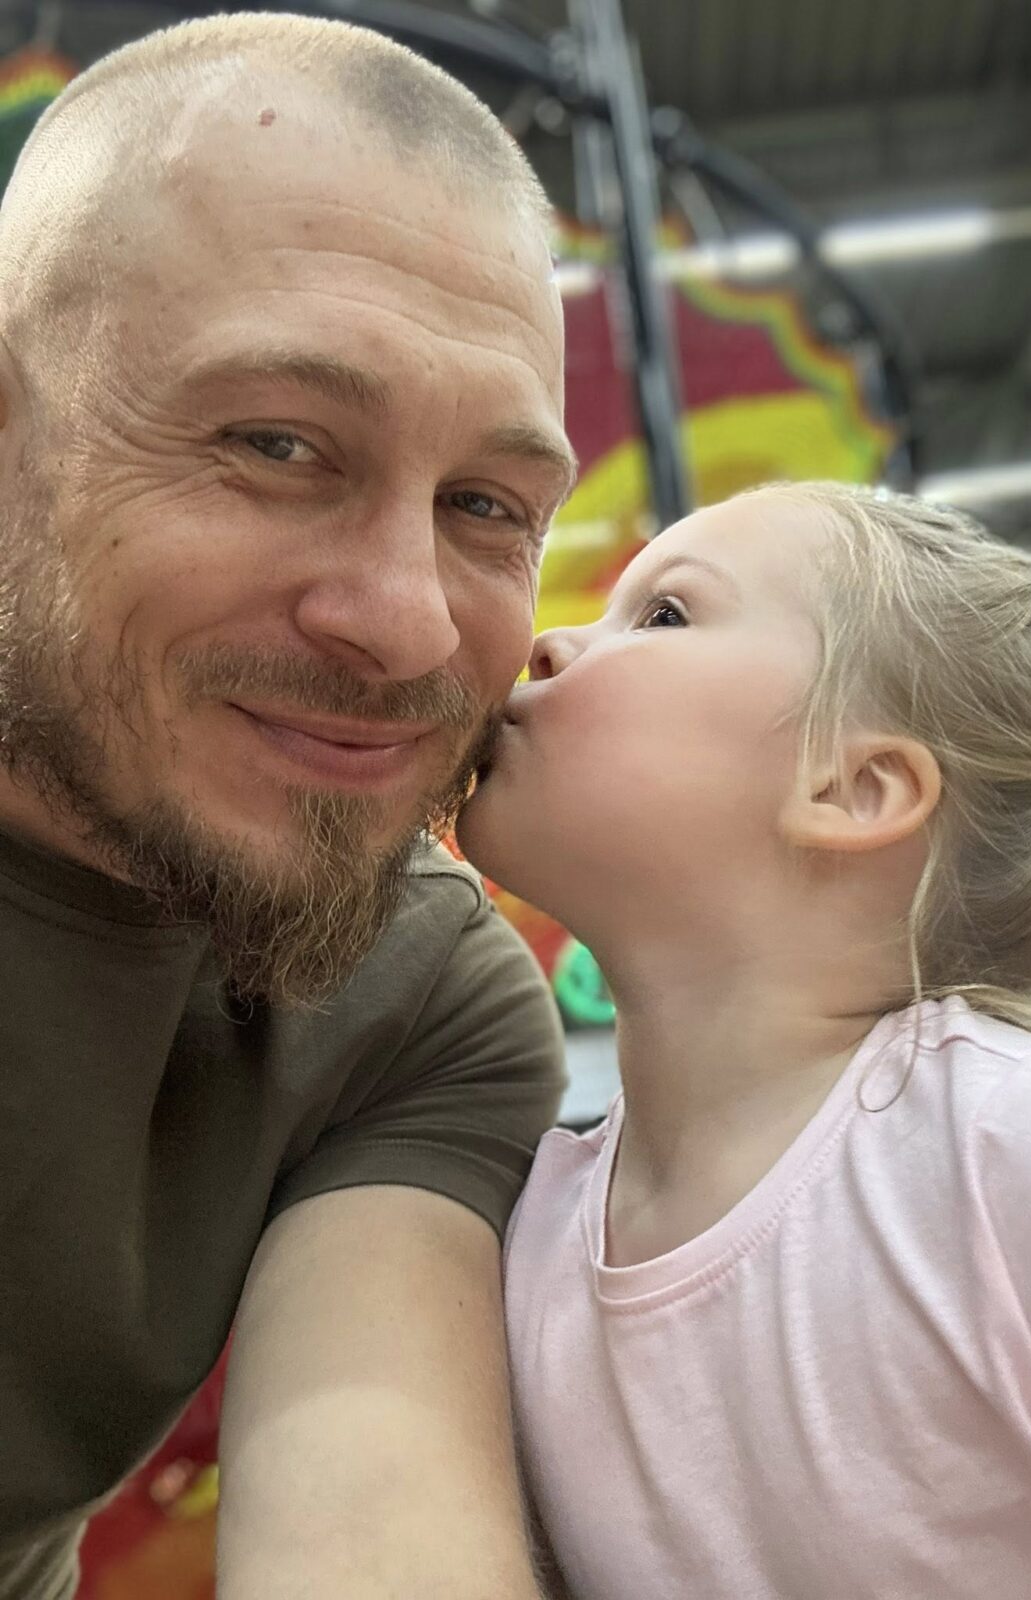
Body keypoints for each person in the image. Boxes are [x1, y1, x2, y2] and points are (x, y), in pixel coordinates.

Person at [0, 14, 577, 1600]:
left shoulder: (414, 1001)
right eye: (275, 443)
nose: (404, 621)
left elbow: (374, 1533)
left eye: (486, 506)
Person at [457, 481, 1031, 1599]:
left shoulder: (1007, 1140)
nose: (550, 645)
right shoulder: (534, 1244)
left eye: (663, 614)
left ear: (856, 788)